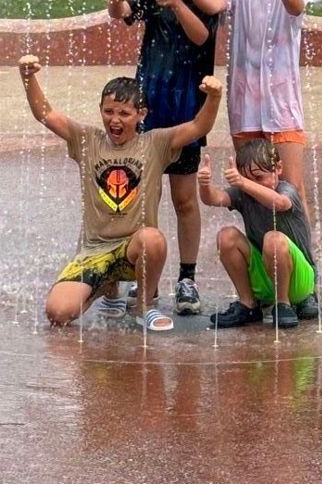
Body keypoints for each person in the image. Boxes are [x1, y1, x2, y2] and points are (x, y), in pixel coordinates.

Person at [17, 54, 222, 331]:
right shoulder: (87, 140)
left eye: (124, 113)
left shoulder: (156, 143)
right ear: (100, 109)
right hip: (94, 251)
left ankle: (144, 307)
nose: (115, 120)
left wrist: (214, 97)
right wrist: (28, 78)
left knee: (153, 239)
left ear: (141, 115)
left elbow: (199, 127)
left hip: (134, 250)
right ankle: (105, 286)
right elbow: (46, 114)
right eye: (108, 111)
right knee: (58, 313)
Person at [107, 0, 219, 315]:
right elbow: (122, 15)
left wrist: (178, 2)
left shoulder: (206, 0)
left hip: (186, 112)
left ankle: (187, 279)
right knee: (144, 200)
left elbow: (201, 36)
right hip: (150, 112)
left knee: (185, 199)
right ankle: (145, 280)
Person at [185, 0, 310, 204]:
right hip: (245, 100)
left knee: (291, 187)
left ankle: (303, 251)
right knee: (252, 185)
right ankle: (260, 246)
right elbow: (214, 5)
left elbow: (297, 7)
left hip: (283, 101)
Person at [198, 139, 318, 329]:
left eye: (260, 178)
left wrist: (244, 184)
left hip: (299, 282)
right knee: (226, 236)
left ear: (278, 168)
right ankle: (248, 304)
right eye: (247, 179)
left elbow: (279, 203)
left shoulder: (287, 190)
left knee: (273, 238)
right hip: (266, 277)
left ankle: (283, 304)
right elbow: (215, 199)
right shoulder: (243, 192)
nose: (253, 185)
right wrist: (204, 186)